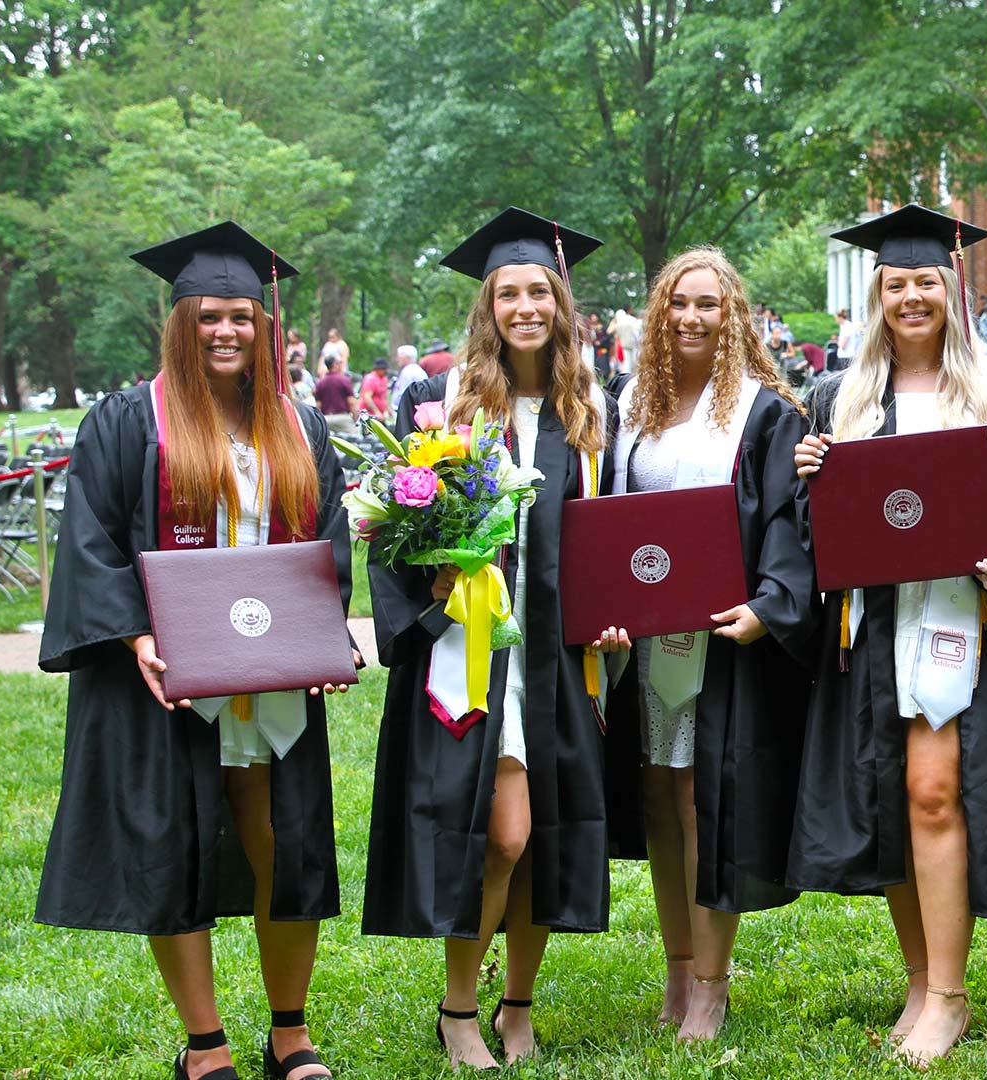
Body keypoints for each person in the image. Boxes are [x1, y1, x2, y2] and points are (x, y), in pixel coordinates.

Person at [37, 221, 357, 1080]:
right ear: (181, 322)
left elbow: (328, 540)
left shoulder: (300, 427)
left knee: (284, 843)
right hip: (170, 675)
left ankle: (290, 1033)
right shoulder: (127, 422)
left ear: (265, 327)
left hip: (274, 675)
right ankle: (205, 1045)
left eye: (243, 317)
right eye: (210, 316)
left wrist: (322, 637)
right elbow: (93, 539)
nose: (227, 332)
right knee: (173, 835)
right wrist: (135, 632)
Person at [787, 204, 987, 1068]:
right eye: (895, 284)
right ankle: (919, 978)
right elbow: (809, 529)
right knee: (891, 796)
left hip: (963, 617)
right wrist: (808, 480)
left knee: (935, 791)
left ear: (952, 288)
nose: (911, 297)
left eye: (926, 281)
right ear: (877, 296)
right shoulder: (838, 398)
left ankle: (950, 995)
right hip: (871, 621)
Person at [362, 208, 614, 1069]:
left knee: (540, 831)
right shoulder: (439, 403)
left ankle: (519, 1005)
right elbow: (387, 536)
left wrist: (615, 614)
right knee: (501, 832)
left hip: (560, 652)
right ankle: (457, 1009)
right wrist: (424, 593)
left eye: (539, 291)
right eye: (508, 292)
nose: (525, 306)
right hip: (472, 655)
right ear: (489, 306)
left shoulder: (590, 410)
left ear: (561, 302)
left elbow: (606, 536)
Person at [600, 246, 817, 1043]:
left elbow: (792, 523)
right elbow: (607, 516)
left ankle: (712, 983)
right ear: (659, 313)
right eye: (678, 304)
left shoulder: (763, 411)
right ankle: (675, 963)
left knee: (704, 802)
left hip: (722, 641)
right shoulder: (631, 406)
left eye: (708, 304)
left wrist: (769, 607)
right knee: (659, 797)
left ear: (735, 314)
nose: (691, 317)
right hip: (646, 642)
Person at [312, 353, 356, 435]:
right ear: (334, 365)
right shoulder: (344, 380)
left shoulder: (321, 382)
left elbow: (318, 405)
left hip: (326, 419)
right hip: (342, 419)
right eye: (339, 362)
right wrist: (355, 418)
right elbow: (351, 402)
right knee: (356, 440)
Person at [389, 344, 425, 415]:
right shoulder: (418, 370)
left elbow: (404, 393)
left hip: (407, 411)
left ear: (407, 357)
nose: (397, 360)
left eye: (399, 357)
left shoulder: (408, 372)